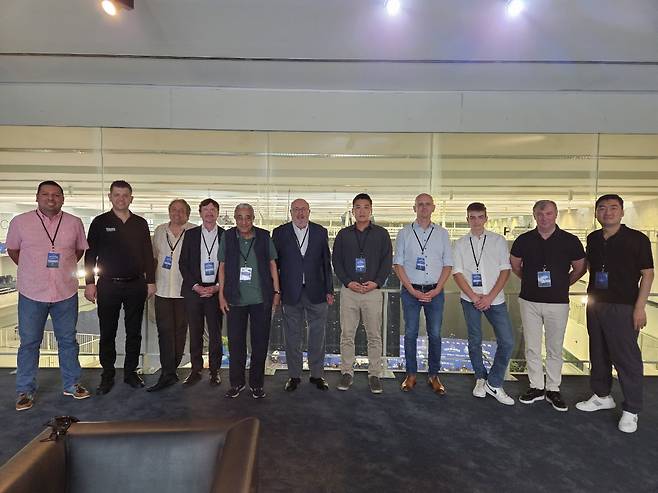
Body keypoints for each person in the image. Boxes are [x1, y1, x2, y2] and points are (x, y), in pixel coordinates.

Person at [6, 181, 90, 411]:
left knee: (68, 341)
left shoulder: (74, 223)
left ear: (63, 199)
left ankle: (72, 384)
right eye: (46, 194)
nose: (51, 198)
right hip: (32, 292)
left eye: (56, 195)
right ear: (37, 197)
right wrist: (33, 269)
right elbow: (14, 251)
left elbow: (79, 251)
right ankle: (24, 390)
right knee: (30, 343)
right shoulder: (20, 222)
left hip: (65, 291)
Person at [575, 194, 654, 433]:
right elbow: (590, 266)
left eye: (612, 208)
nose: (607, 212)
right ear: (596, 213)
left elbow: (648, 274)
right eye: (602, 208)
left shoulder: (637, 239)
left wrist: (639, 307)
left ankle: (632, 409)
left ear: (621, 212)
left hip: (623, 306)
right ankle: (601, 395)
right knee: (598, 352)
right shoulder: (594, 238)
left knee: (626, 358)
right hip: (595, 302)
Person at [510, 200, 586, 411]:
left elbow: (580, 268)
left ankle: (553, 388)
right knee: (532, 347)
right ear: (534, 216)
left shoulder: (569, 240)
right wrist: (529, 280)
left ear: (555, 215)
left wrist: (564, 283)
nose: (544, 218)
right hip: (529, 301)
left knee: (554, 348)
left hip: (557, 302)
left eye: (549, 214)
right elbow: (515, 265)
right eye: (540, 214)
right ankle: (536, 386)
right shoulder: (524, 240)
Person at [84, 180, 156, 395]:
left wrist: (150, 281)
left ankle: (130, 373)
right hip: (108, 285)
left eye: (125, 195)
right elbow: (90, 255)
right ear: (110, 197)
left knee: (134, 332)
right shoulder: (99, 222)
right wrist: (90, 283)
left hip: (135, 284)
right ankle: (107, 375)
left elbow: (147, 255)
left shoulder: (140, 223)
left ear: (131, 198)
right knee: (108, 332)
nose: (121, 199)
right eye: (117, 195)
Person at [452, 202, 515, 405]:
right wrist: (474, 296)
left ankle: (494, 382)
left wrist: (488, 297)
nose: (476, 221)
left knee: (507, 341)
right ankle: (480, 378)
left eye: (480, 217)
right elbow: (457, 273)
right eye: (472, 217)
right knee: (475, 340)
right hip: (470, 300)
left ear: (486, 218)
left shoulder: (498, 241)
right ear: (467, 219)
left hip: (495, 299)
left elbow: (505, 270)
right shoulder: (460, 243)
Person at [218, 203, 281, 399]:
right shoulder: (227, 237)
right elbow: (222, 266)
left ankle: (256, 384)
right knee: (236, 344)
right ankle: (237, 383)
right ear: (235, 218)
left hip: (261, 299)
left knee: (259, 343)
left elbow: (272, 264)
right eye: (239, 217)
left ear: (253, 218)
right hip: (235, 299)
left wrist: (276, 291)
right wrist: (221, 295)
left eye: (247, 217)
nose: (244, 221)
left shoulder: (263, 236)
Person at [272, 198, 334, 392]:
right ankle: (294, 376)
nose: (300, 213)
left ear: (309, 211)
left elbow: (326, 263)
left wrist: (329, 290)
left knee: (318, 335)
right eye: (296, 210)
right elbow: (275, 265)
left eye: (303, 210)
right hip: (290, 292)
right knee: (292, 336)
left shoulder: (320, 232)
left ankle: (317, 375)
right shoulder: (280, 233)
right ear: (291, 212)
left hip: (316, 292)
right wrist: (277, 291)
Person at [332, 193, 392, 394]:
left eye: (366, 207)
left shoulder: (381, 234)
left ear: (371, 210)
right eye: (358, 207)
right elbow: (336, 261)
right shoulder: (343, 234)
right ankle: (347, 372)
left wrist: (376, 283)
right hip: (350, 291)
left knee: (374, 335)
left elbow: (386, 262)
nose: (362, 211)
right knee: (347, 334)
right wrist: (348, 282)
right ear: (353, 211)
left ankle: (374, 374)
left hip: (372, 292)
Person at [393, 193, 452, 395]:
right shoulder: (404, 233)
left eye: (428, 204)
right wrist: (412, 290)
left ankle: (433, 375)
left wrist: (437, 289)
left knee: (435, 334)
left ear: (434, 208)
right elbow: (398, 265)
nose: (424, 208)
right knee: (410, 333)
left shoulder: (443, 234)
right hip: (411, 291)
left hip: (435, 290)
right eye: (420, 204)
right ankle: (411, 374)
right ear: (414, 208)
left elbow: (448, 265)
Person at [147, 199, 196, 392]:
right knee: (164, 332)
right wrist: (149, 282)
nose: (177, 213)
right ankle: (167, 373)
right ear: (169, 212)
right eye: (174, 210)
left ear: (188, 214)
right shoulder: (159, 231)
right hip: (162, 290)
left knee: (180, 332)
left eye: (181, 211)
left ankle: (172, 369)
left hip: (185, 291)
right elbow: (152, 258)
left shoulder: (193, 231)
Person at [178, 198, 225, 387]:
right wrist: (196, 286)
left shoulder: (226, 235)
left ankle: (215, 371)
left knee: (215, 334)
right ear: (200, 213)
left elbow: (230, 264)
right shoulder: (190, 234)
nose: (209, 213)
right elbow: (183, 263)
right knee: (195, 332)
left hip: (216, 291)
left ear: (217, 213)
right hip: (194, 291)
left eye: (213, 209)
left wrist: (217, 286)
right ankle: (195, 370)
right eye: (206, 209)